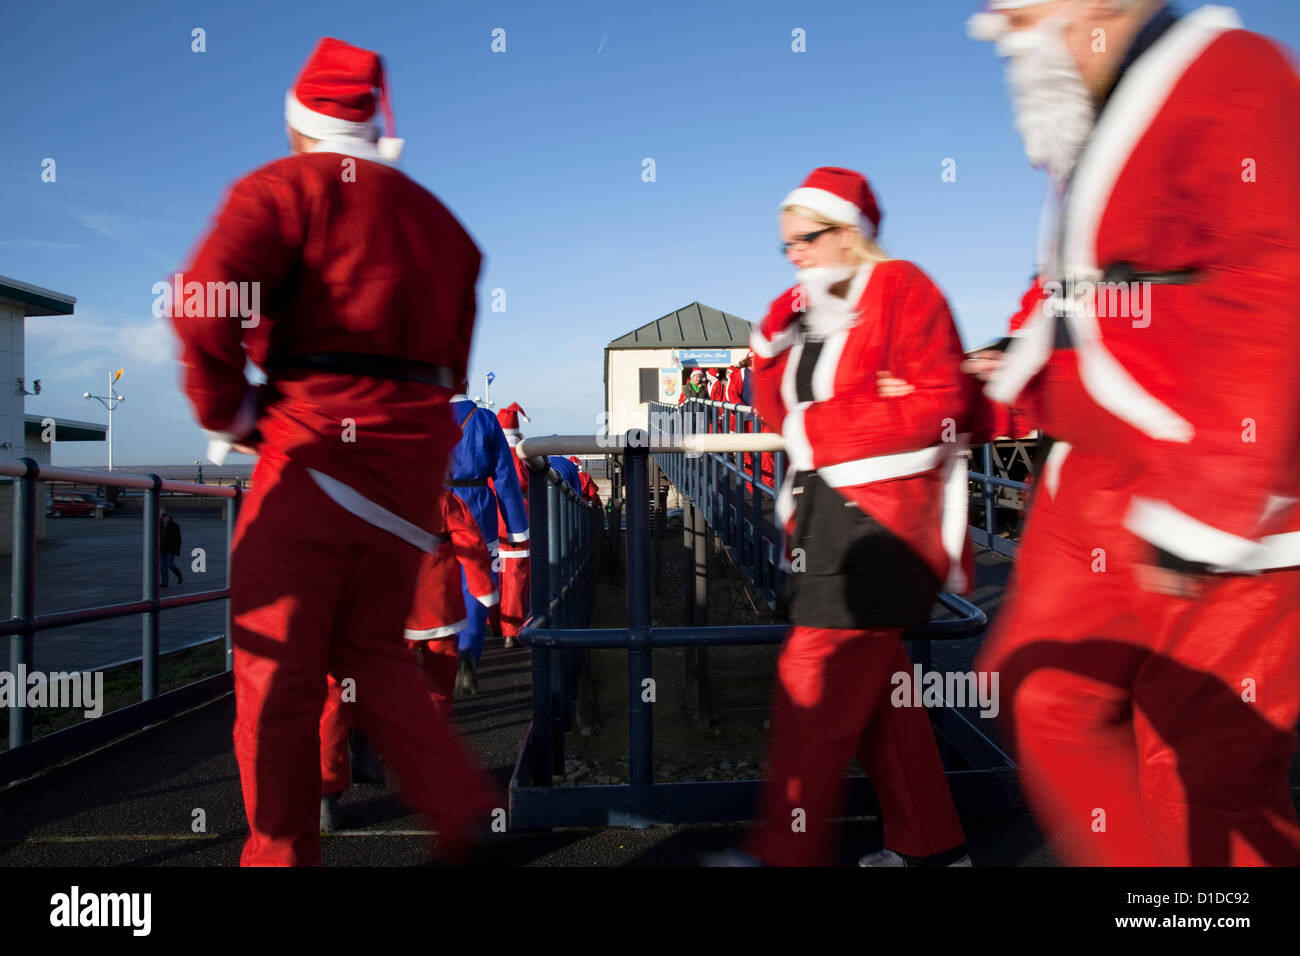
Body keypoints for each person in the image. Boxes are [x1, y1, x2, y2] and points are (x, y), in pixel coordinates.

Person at [968, 0, 1300, 865]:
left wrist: (1209, 508)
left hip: (1221, 492)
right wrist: (1003, 372)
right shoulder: (1096, 125)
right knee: (1037, 691)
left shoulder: (1231, 69)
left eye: (1020, 13)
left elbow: (1276, 273)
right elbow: (1102, 300)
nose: (1002, 30)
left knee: (1209, 771)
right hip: (1097, 482)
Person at [170, 36, 499, 866]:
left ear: (299, 123)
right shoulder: (445, 227)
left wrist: (236, 411)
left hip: (314, 453)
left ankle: (279, 853)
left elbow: (203, 307)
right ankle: (460, 804)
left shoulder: (280, 190)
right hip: (407, 474)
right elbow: (451, 365)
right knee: (372, 657)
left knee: (273, 681)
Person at [719, 166, 975, 867]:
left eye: (806, 238)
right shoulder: (805, 305)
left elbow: (941, 405)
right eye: (786, 245)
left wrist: (826, 423)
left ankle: (784, 851)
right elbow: (778, 416)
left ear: (849, 231)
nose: (794, 253)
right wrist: (767, 349)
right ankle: (933, 847)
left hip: (885, 520)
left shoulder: (904, 287)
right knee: (885, 691)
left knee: (813, 675)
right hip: (826, 513)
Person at [319, 486, 496, 830]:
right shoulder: (441, 498)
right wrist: (483, 588)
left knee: (342, 693)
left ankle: (328, 790)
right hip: (435, 609)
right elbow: (470, 544)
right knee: (437, 688)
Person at [447, 391, 527, 693]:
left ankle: (435, 653)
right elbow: (505, 477)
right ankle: (468, 652)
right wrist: (518, 527)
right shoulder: (484, 419)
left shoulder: (424, 416)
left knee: (435, 578)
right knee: (476, 583)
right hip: (478, 506)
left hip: (434, 503)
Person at [494, 402, 532, 648]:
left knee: (492, 573)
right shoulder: (522, 457)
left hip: (488, 522)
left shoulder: (489, 453)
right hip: (516, 521)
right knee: (516, 577)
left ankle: (493, 623)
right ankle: (512, 629)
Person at [159, 512, 183, 588]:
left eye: (167, 517)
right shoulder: (159, 526)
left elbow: (178, 538)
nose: (165, 519)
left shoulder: (174, 526)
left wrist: (178, 549)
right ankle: (164, 582)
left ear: (169, 518)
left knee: (170, 564)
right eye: (164, 517)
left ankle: (178, 574)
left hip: (171, 548)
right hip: (162, 548)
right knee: (163, 566)